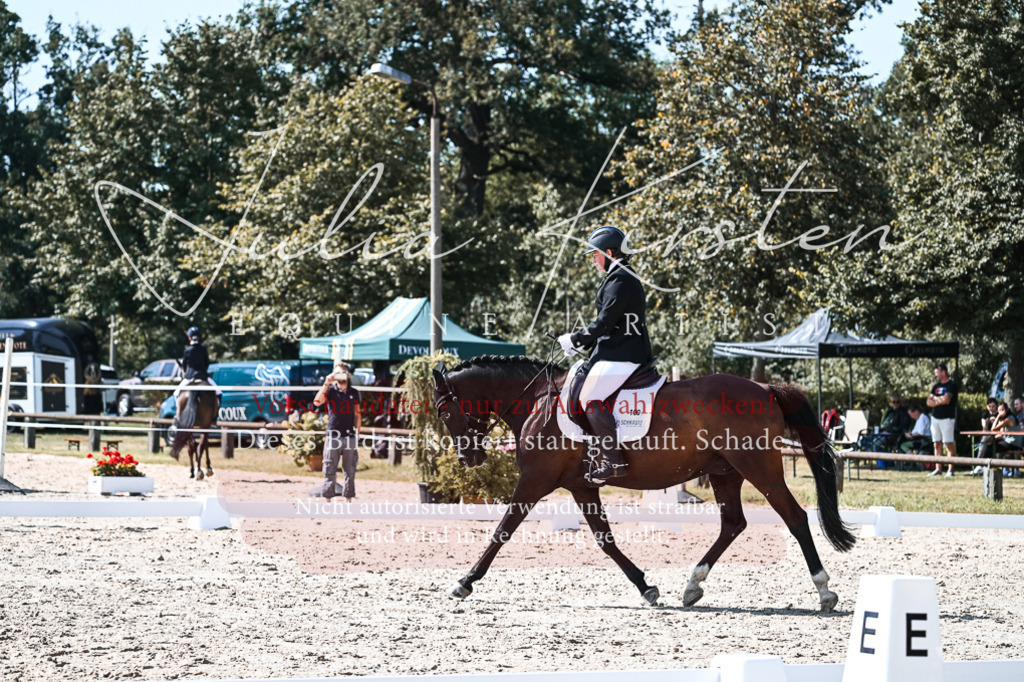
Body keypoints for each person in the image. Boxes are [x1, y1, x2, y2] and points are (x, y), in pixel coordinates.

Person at [558, 225, 653, 485]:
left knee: (590, 398)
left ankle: (613, 460)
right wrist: (582, 344)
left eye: (596, 255)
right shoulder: (618, 276)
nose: (593, 260)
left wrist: (576, 339)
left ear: (609, 253)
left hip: (624, 354)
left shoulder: (621, 279)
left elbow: (605, 322)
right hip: (614, 351)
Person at [312, 363, 361, 500]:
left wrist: (357, 433)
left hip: (349, 436)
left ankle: (349, 498)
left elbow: (357, 414)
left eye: (343, 372)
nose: (340, 376)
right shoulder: (330, 391)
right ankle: (328, 498)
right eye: (337, 373)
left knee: (350, 470)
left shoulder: (354, 392)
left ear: (348, 375)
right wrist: (326, 383)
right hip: (333, 434)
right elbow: (317, 402)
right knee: (329, 469)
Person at [173, 326, 219, 422]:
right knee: (219, 393)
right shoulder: (203, 349)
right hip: (203, 376)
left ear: (189, 338)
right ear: (199, 337)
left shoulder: (187, 350)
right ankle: (215, 416)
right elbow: (206, 364)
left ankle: (177, 416)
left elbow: (184, 366)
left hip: (189, 377)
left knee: (176, 394)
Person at [926, 363, 958, 477]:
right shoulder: (936, 386)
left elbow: (947, 400)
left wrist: (935, 399)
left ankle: (950, 470)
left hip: (947, 419)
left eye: (937, 373)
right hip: (935, 418)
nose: (936, 375)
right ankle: (938, 469)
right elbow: (928, 402)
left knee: (948, 444)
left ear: (943, 372)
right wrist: (939, 399)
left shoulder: (952, 385)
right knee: (936, 443)